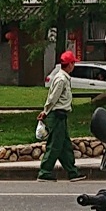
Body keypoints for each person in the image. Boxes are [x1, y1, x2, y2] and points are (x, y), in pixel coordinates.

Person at [38, 50, 79, 180]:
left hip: (61, 115)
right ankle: (44, 172)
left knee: (65, 145)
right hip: (57, 115)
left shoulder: (64, 78)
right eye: (73, 63)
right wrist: (45, 112)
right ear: (70, 64)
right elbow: (53, 98)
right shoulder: (61, 79)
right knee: (55, 144)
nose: (74, 66)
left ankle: (72, 172)